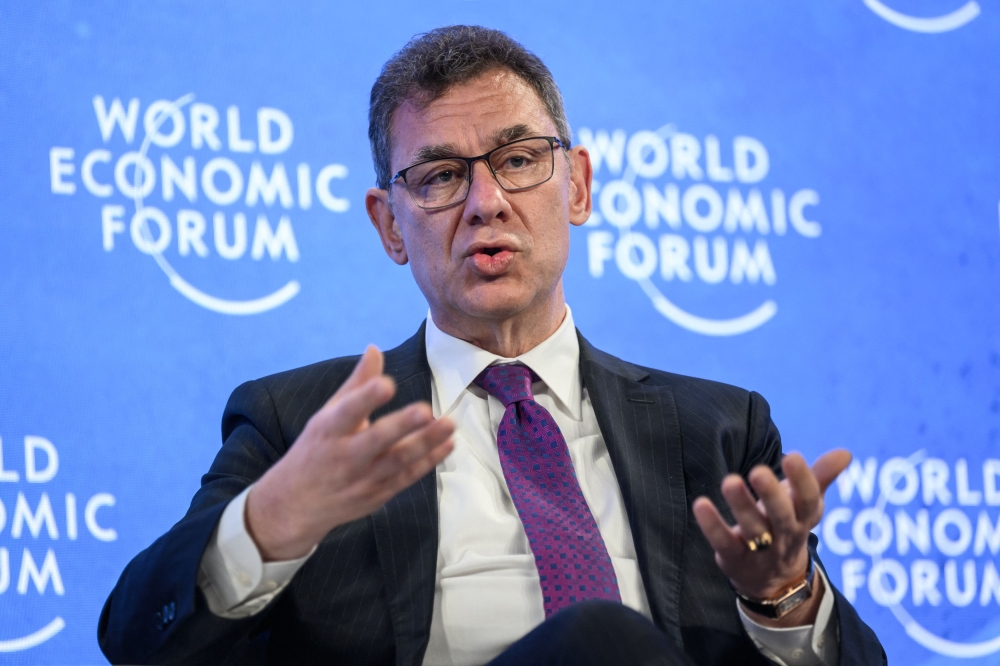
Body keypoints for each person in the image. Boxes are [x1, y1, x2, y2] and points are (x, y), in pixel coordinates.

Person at [98, 25, 884, 666]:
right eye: (440, 175)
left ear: (577, 185)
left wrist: (781, 597)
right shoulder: (304, 426)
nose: (485, 203)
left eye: (517, 161)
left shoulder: (715, 430)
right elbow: (135, 639)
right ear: (389, 226)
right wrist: (275, 518)